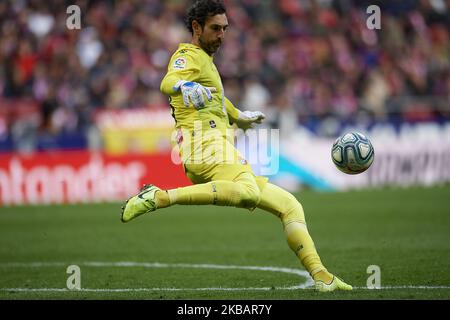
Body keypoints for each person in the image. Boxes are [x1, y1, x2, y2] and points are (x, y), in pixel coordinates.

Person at [121, 0, 352, 292]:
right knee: (247, 193)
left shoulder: (207, 62)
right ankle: (161, 197)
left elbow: (216, 98)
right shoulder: (188, 55)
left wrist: (238, 116)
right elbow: (169, 81)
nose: (221, 35)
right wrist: (184, 86)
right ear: (196, 27)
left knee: (289, 205)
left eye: (225, 29)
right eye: (215, 28)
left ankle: (322, 276)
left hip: (219, 148)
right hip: (203, 147)